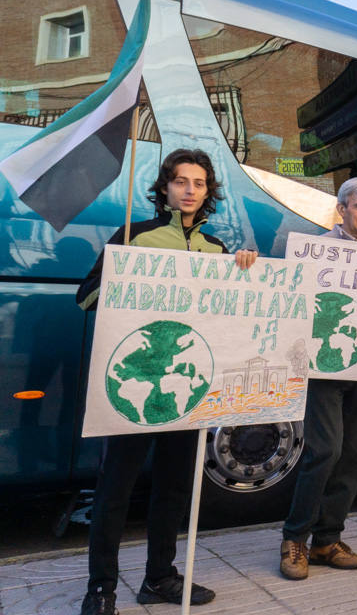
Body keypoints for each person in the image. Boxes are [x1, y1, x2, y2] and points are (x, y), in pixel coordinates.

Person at [76, 148, 259, 615]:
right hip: (135, 387)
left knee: (175, 487)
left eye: (198, 183)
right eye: (181, 181)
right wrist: (118, 272)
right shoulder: (134, 236)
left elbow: (230, 318)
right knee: (115, 488)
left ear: (207, 190)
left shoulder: (218, 250)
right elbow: (86, 298)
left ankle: (159, 577)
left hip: (186, 387)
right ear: (165, 188)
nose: (190, 190)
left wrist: (245, 274)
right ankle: (101, 589)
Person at [280, 177, 357, 580]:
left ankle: (327, 539)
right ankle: (295, 539)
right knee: (324, 450)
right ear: (341, 210)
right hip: (324, 365)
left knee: (355, 455)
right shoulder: (317, 250)